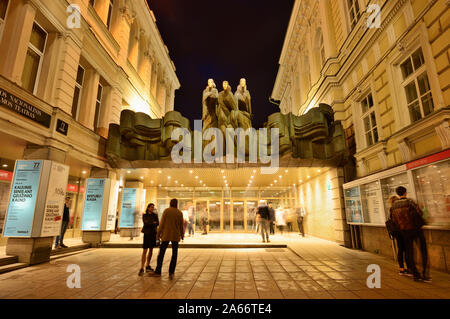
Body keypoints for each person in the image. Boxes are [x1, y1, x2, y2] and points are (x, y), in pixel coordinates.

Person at [390, 186, 428, 282]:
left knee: (409, 252)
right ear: (405, 193)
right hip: (415, 229)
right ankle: (424, 273)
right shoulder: (409, 202)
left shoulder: (394, 206)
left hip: (404, 231)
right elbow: (420, 212)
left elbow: (393, 220)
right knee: (423, 250)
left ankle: (415, 274)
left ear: (397, 194)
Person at [151, 199, 184, 278]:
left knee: (161, 253)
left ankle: (158, 270)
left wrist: (158, 235)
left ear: (170, 203)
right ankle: (171, 271)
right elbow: (181, 225)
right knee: (174, 254)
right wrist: (182, 235)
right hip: (175, 236)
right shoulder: (179, 212)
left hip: (166, 235)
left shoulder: (166, 211)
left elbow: (162, 223)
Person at [388, 196, 408, 276]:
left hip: (396, 232)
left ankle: (401, 268)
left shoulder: (391, 209)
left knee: (400, 249)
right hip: (402, 230)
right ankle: (408, 267)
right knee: (406, 249)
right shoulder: (398, 209)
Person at [138, 203, 159, 276]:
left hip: (153, 234)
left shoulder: (155, 215)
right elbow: (145, 223)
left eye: (153, 207)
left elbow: (157, 223)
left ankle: (148, 265)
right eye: (151, 207)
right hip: (147, 234)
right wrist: (152, 223)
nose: (152, 208)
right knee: (144, 250)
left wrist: (151, 223)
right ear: (148, 208)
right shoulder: (145, 215)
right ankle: (141, 267)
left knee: (151, 250)